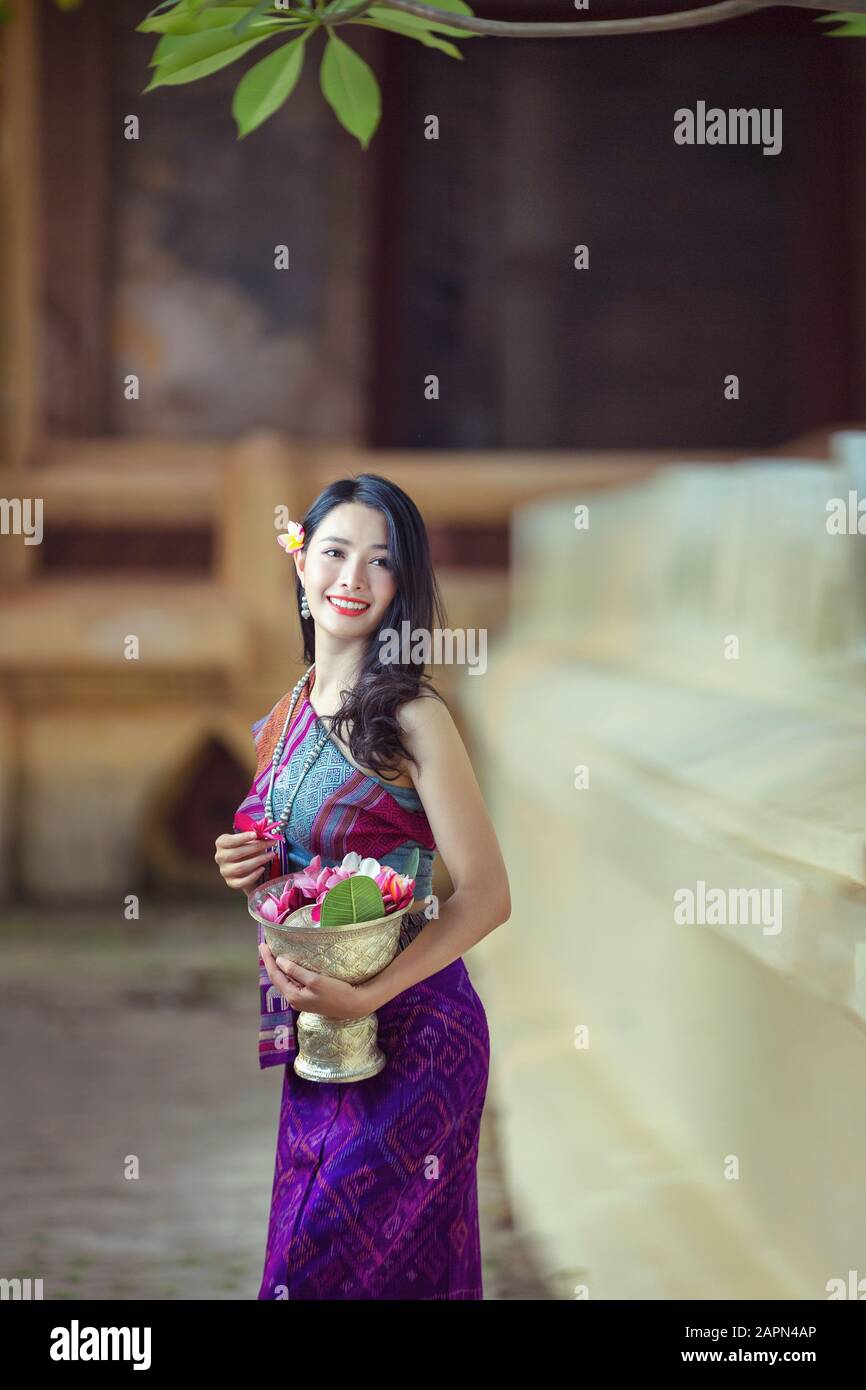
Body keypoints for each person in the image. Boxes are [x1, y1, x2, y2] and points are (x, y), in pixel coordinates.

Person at [214, 472, 511, 1300]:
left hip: (417, 1034)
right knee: (306, 1265)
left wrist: (368, 994)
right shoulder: (289, 711)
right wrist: (244, 862)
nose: (352, 578)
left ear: (400, 586)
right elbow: (292, 860)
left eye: (379, 563)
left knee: (341, 1270)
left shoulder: (414, 717)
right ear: (301, 563)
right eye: (335, 552)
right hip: (322, 1038)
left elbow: (486, 894)